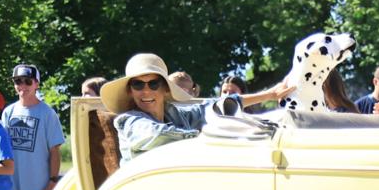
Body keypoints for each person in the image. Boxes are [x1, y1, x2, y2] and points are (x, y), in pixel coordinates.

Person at [102, 54, 290, 164]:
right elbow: (159, 135)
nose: (145, 91)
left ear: (165, 88)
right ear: (130, 90)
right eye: (138, 85)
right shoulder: (129, 120)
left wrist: (271, 94)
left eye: (153, 84)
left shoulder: (175, 114)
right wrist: (213, 134)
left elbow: (215, 107)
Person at [2, 63, 65, 190]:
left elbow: (55, 151)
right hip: (15, 184)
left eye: (27, 81)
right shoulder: (9, 112)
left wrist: (53, 181)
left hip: (40, 185)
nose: (22, 85)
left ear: (36, 83)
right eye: (18, 81)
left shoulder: (47, 113)